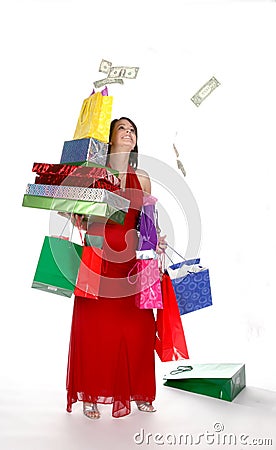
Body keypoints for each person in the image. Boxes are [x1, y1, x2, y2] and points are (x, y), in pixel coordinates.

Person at [66, 117, 166, 419]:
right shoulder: (94, 174)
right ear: (109, 138)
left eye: (133, 129)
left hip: (131, 262)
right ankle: (91, 395)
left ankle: (140, 391)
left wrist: (156, 239)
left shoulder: (143, 177)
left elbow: (147, 221)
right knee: (94, 327)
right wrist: (76, 216)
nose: (128, 133)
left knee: (138, 326)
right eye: (122, 129)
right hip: (97, 257)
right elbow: (67, 207)